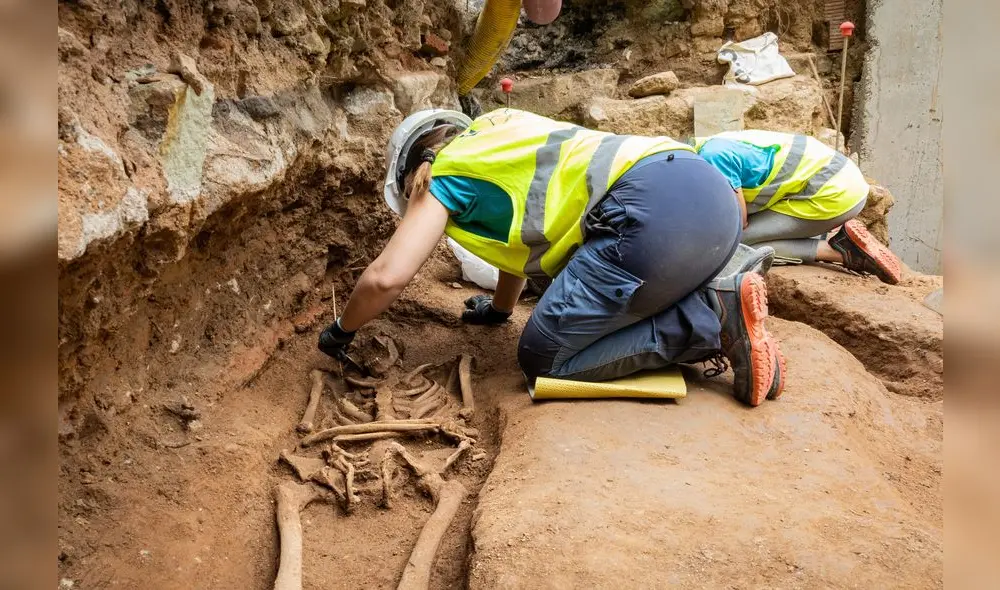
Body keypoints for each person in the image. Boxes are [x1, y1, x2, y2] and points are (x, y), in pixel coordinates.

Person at [317, 108, 785, 406]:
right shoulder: (500, 130)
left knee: (543, 357)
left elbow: (385, 278)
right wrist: (500, 310)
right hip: (711, 198)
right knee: (602, 292)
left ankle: (709, 318)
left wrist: (341, 332)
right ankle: (719, 282)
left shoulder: (443, 174)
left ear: (411, 168)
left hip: (649, 221)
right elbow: (518, 246)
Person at [694, 130, 902, 284]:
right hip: (841, 181)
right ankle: (828, 237)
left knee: (732, 247)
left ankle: (843, 253)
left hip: (830, 194)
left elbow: (738, 221)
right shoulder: (709, 144)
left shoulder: (713, 157)